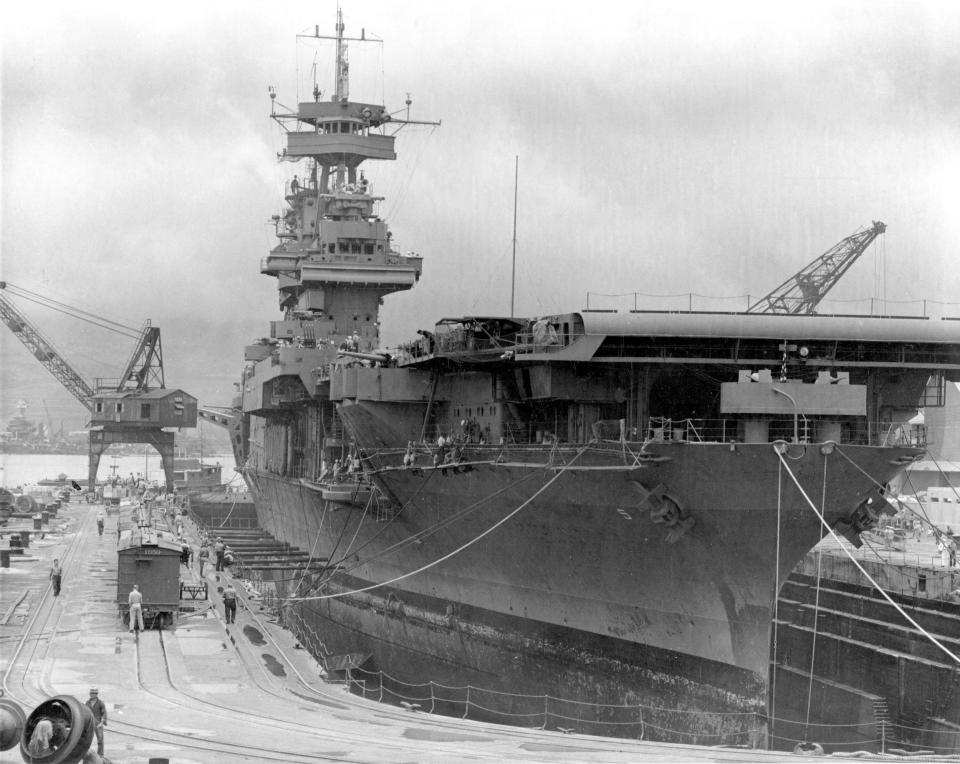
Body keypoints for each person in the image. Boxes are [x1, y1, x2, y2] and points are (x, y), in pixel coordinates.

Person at [85, 687, 107, 758]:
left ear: (96, 694)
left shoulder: (100, 703)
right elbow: (85, 712)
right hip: (90, 724)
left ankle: (100, 754)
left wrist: (102, 722)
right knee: (87, 739)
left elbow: (104, 713)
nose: (91, 695)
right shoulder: (87, 703)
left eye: (93, 693)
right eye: (90, 693)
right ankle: (86, 753)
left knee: (100, 739)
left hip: (98, 724)